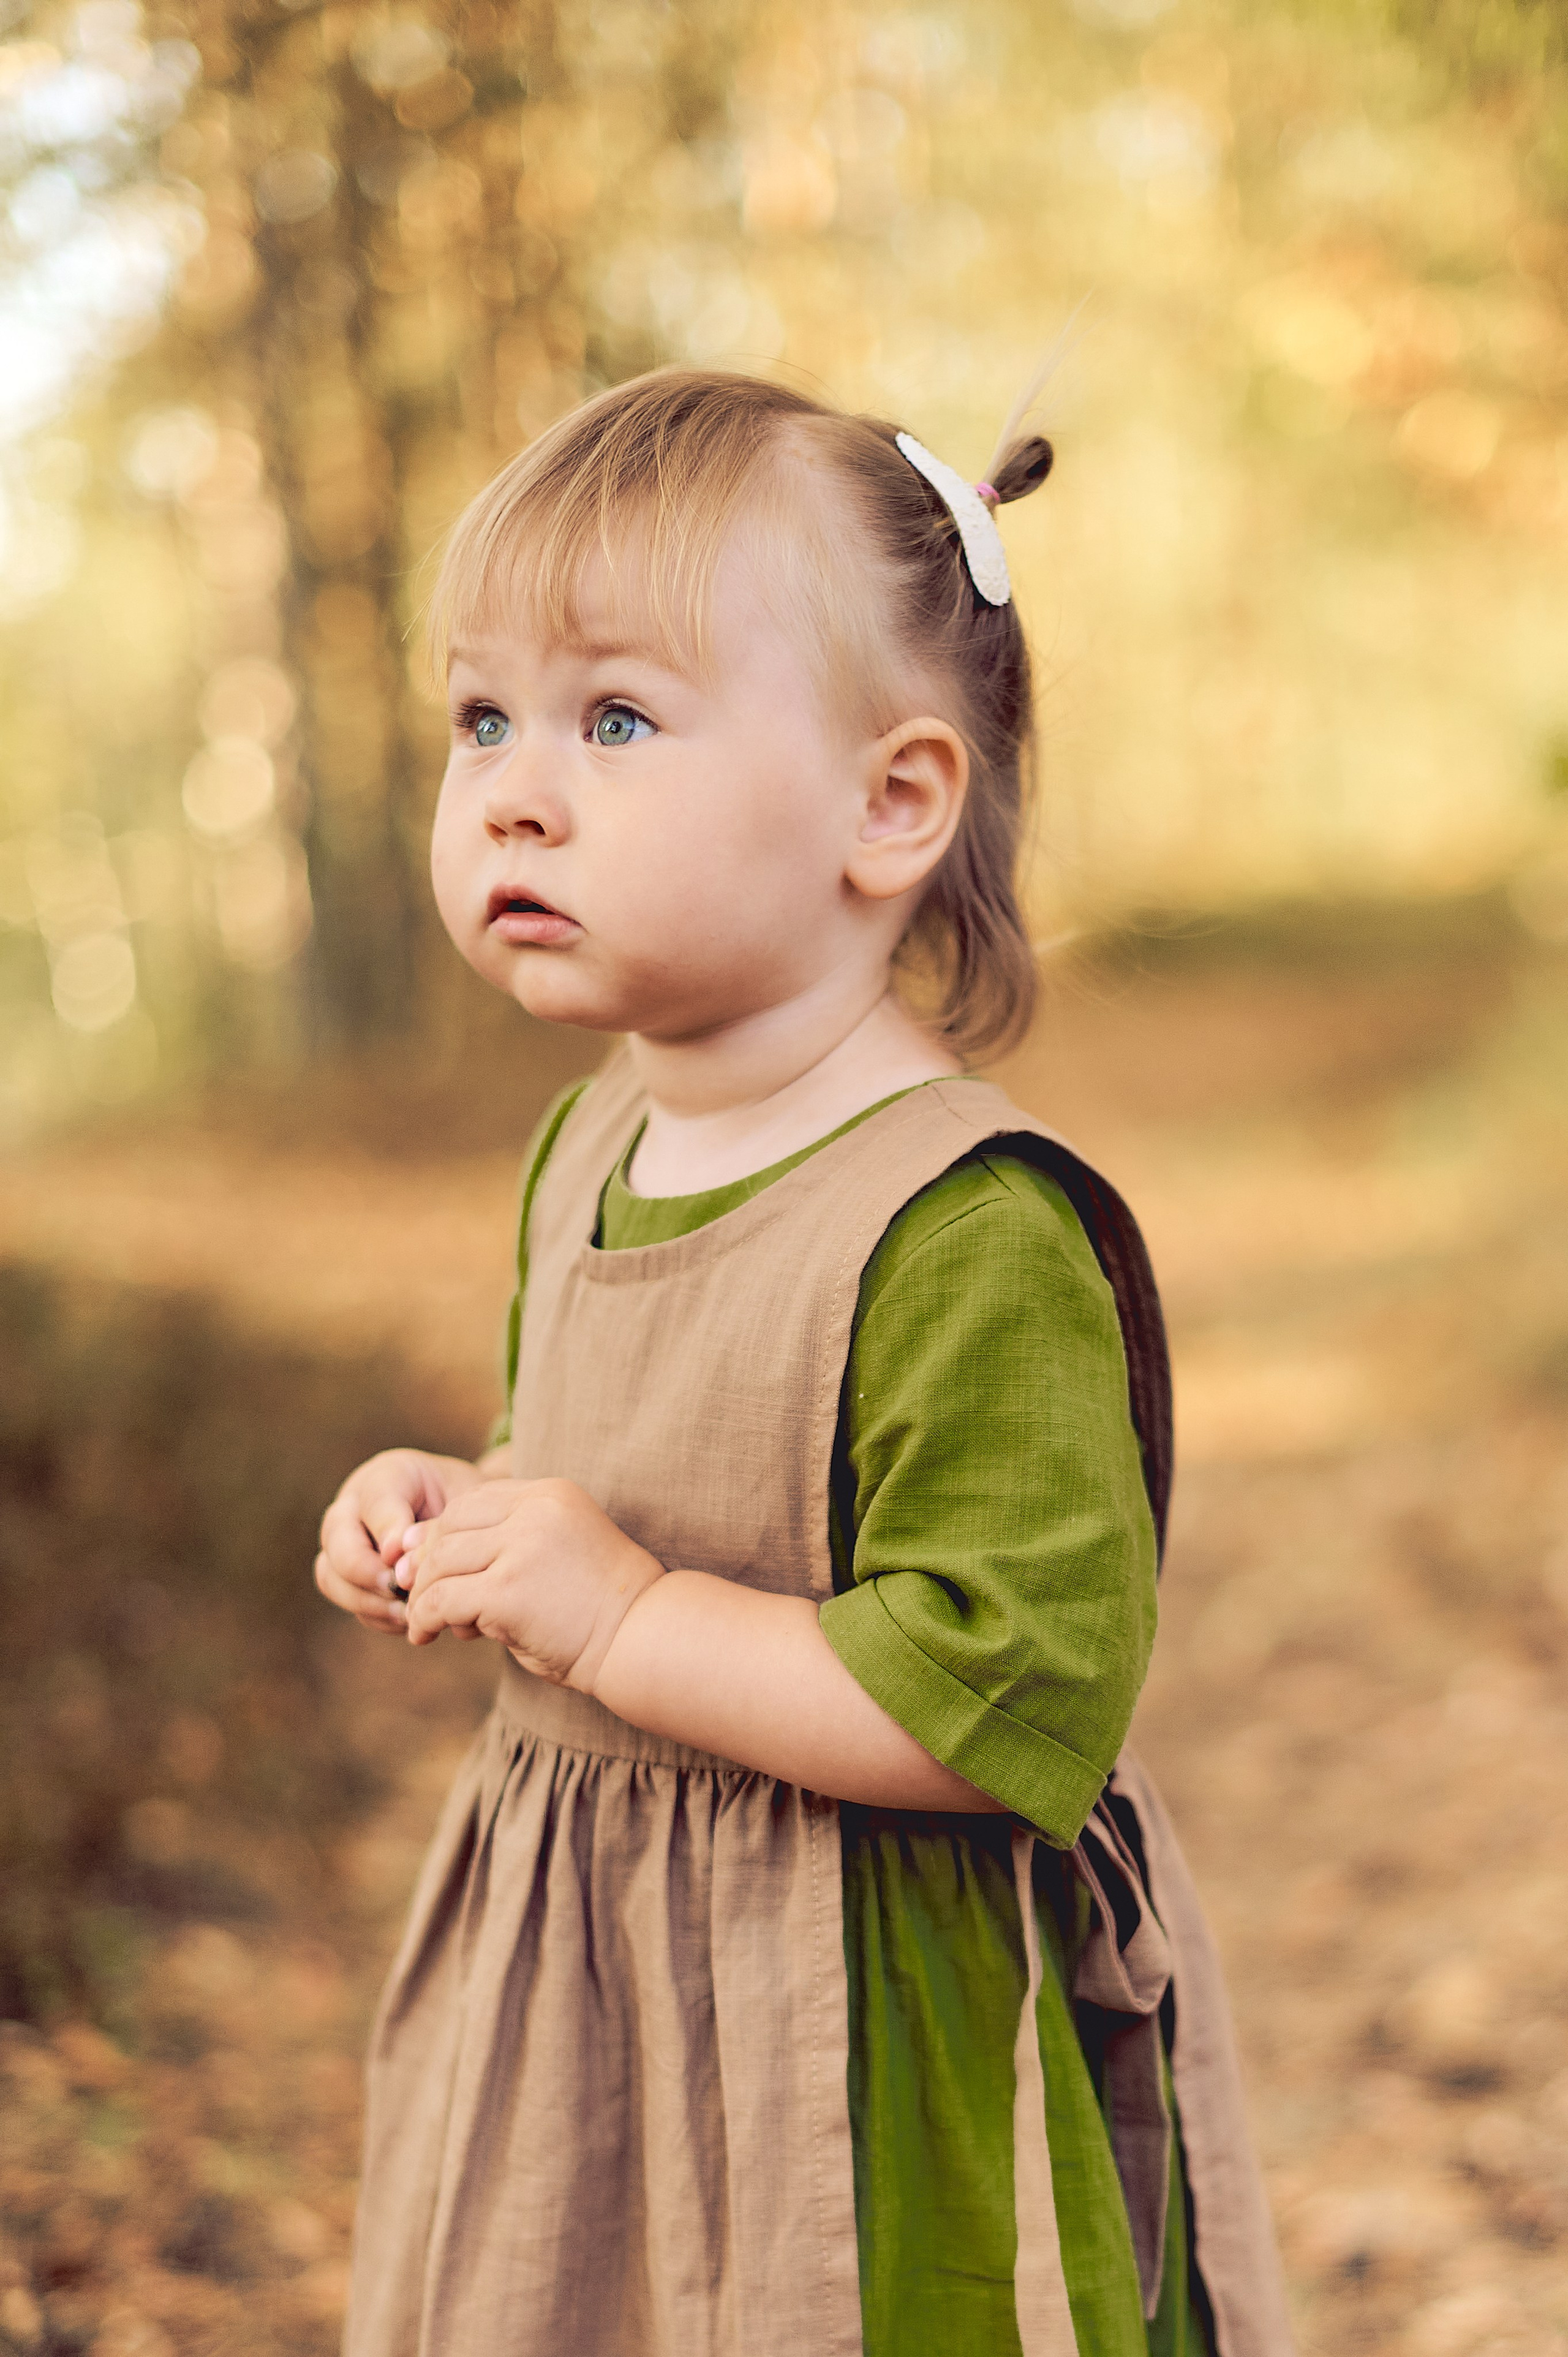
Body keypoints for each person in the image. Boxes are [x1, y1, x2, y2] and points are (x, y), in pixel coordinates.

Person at [314, 368, 1294, 2357]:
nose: (512, 785)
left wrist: (627, 1614)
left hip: (863, 2039)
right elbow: (596, 1462)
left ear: (891, 802)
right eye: (482, 717)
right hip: (597, 1999)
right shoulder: (594, 1141)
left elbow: (1003, 1698)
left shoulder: (966, 1228)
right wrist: (465, 1513)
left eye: (615, 719)